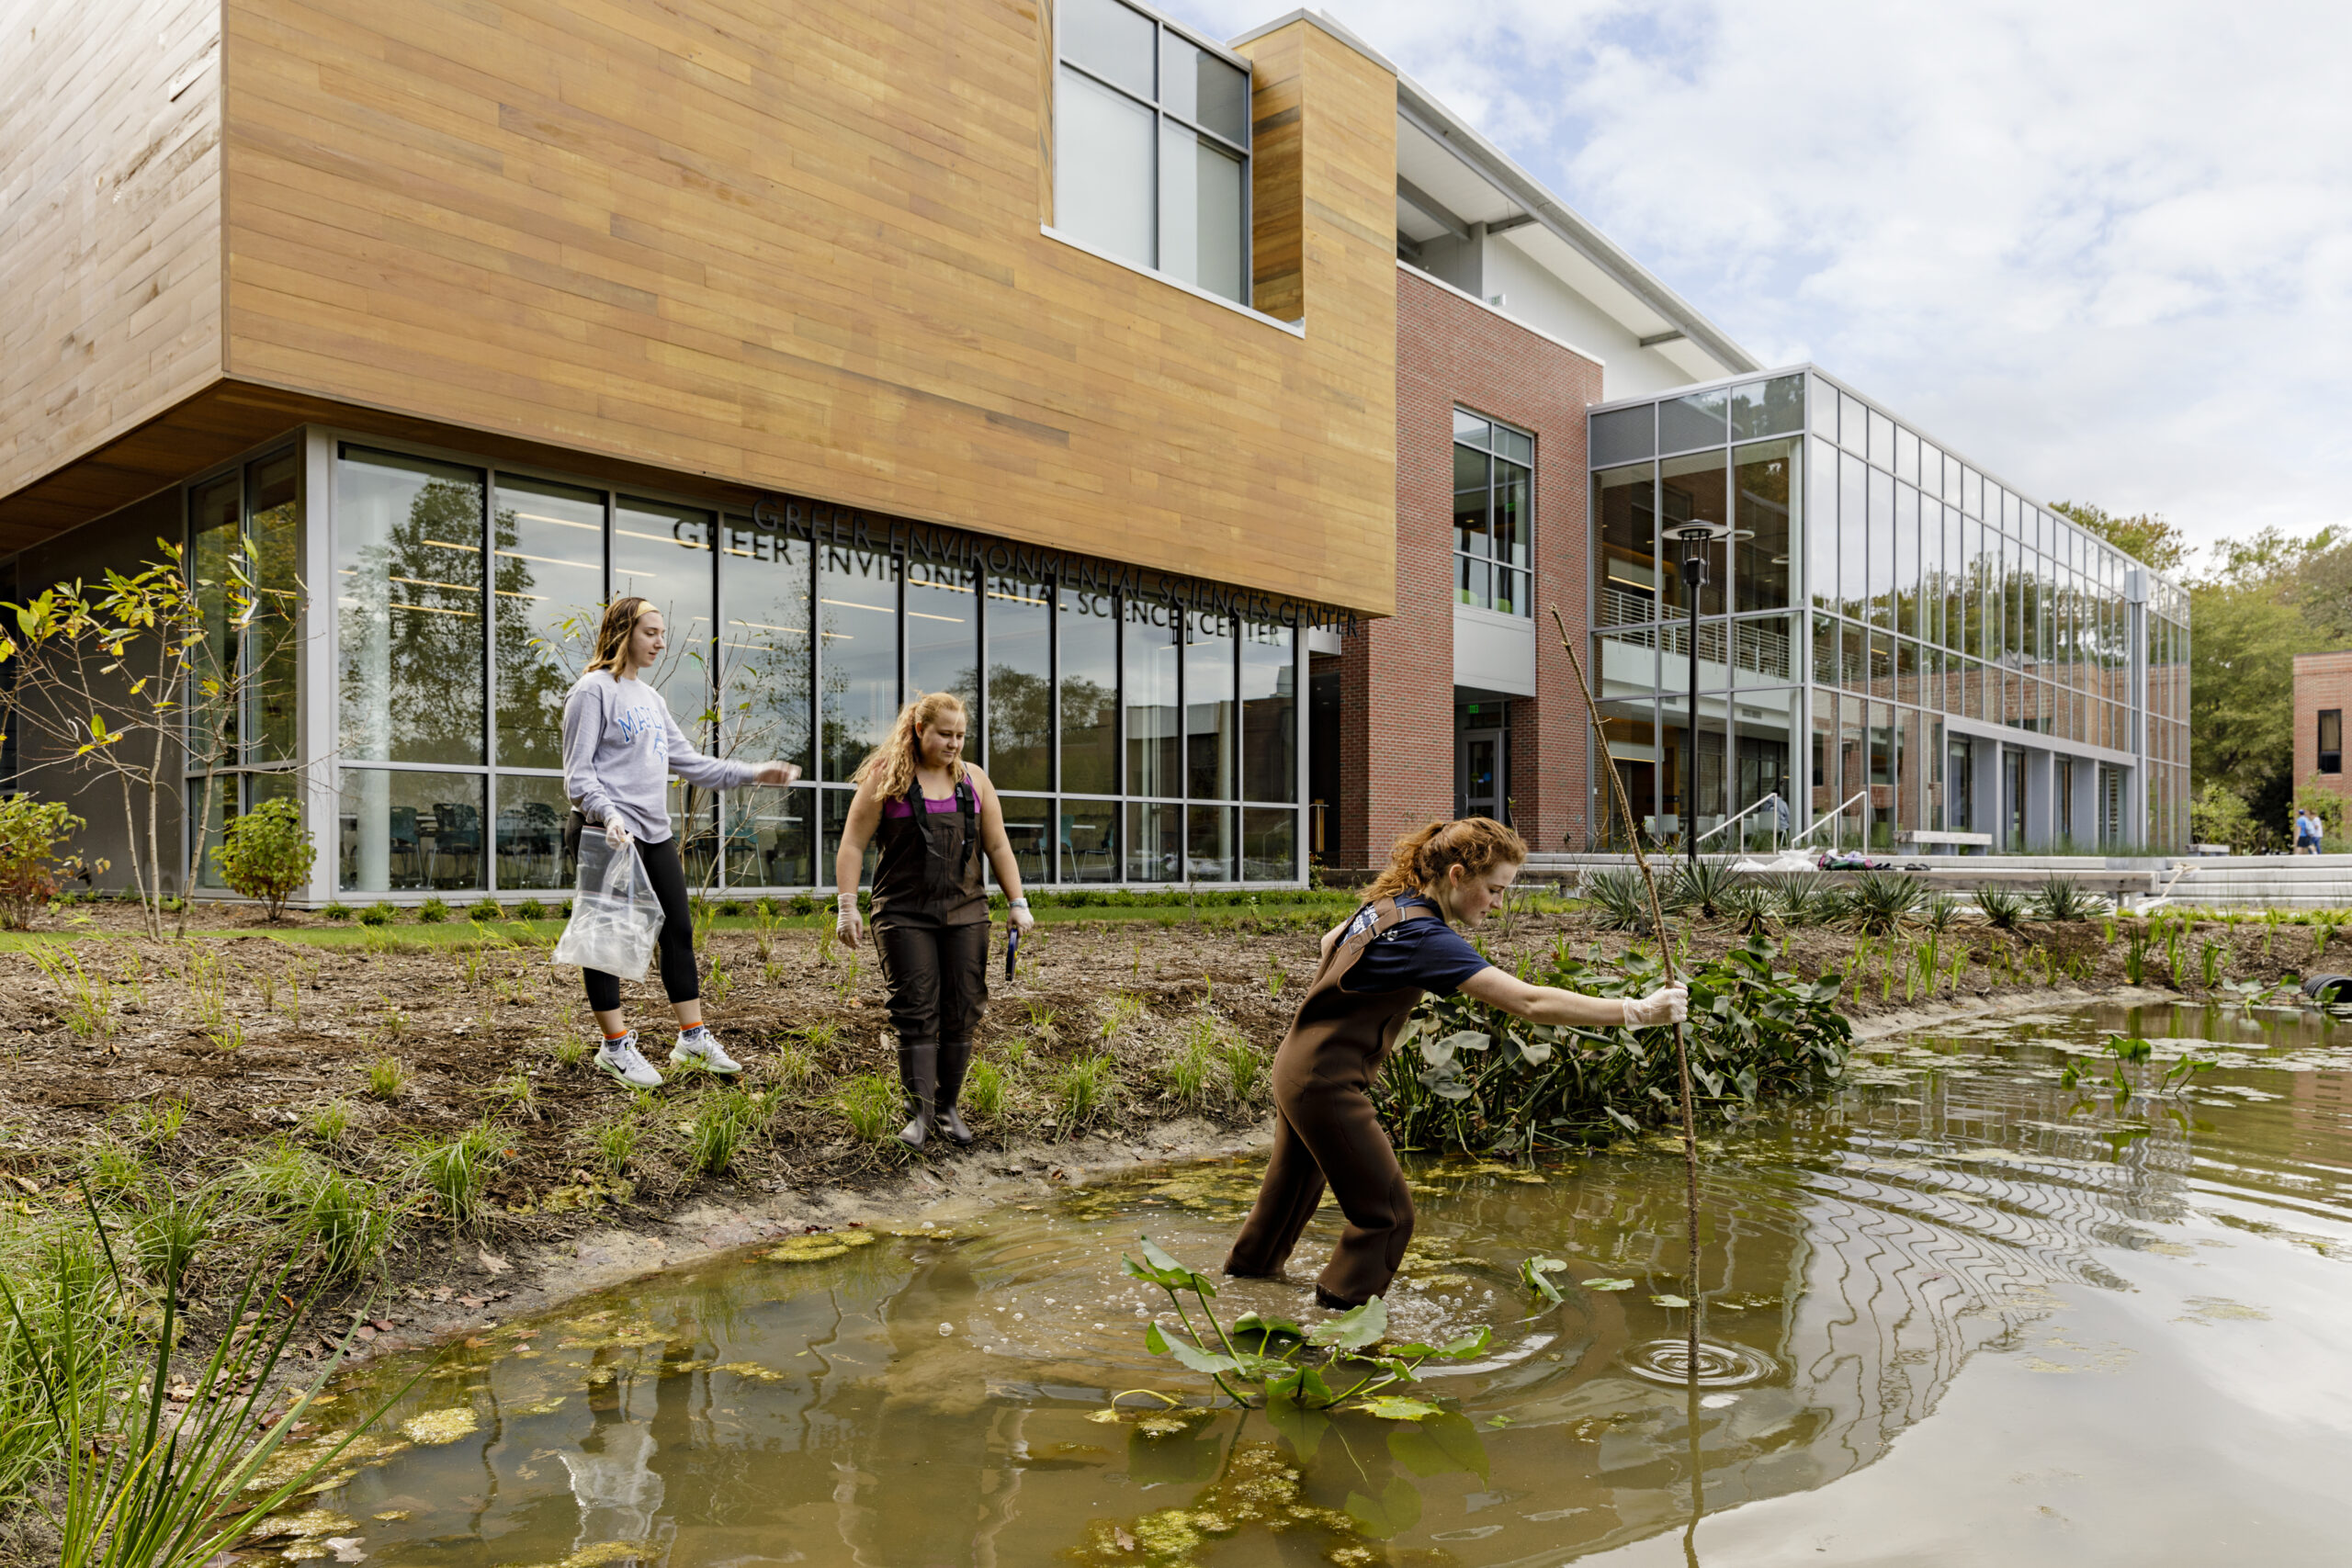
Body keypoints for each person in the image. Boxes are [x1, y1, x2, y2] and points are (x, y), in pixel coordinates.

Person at [1225, 818, 1687, 1309]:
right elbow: (1528, 1002)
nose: (1497, 903)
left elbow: (1329, 942)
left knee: (1287, 1199)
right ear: (1457, 875)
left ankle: (1242, 1291)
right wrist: (1637, 1012)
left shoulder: (1390, 904)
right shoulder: (1424, 936)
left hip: (1295, 1066)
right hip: (1325, 1084)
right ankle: (1337, 1332)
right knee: (1387, 1218)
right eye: (1493, 889)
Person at [562, 596, 799, 1089]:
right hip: (604, 830)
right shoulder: (592, 691)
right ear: (623, 632)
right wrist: (607, 816)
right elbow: (578, 776)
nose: (661, 642)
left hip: (652, 831)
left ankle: (691, 1039)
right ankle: (614, 1047)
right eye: (651, 632)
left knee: (678, 931)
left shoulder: (651, 700)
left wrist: (755, 771)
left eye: (662, 633)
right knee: (605, 942)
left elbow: (693, 764)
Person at [833, 692, 1036, 1149]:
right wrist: (847, 905)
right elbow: (852, 844)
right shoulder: (885, 778)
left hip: (966, 910)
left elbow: (998, 846)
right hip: (904, 912)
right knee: (916, 1008)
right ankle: (919, 1116)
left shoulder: (975, 781)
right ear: (919, 729)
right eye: (945, 734)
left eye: (961, 735)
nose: (954, 744)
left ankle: (948, 1109)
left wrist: (1017, 901)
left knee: (963, 1007)